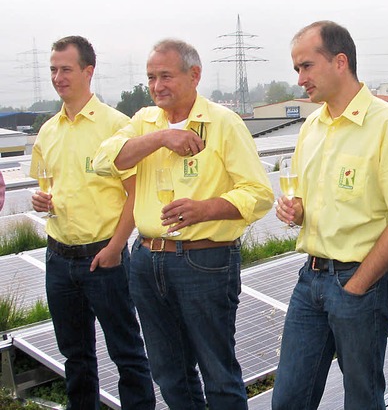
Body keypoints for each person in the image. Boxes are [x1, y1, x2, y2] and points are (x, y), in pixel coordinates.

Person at [93, 38, 273, 409]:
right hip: (146, 260)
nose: (157, 86)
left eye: (166, 76)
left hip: (204, 261)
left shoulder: (223, 123)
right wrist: (161, 138)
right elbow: (104, 160)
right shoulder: (145, 121)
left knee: (218, 374)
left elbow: (259, 193)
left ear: (194, 75)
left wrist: (205, 209)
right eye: (151, 78)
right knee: (169, 373)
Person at [272, 21, 388, 410]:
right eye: (296, 69)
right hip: (310, 280)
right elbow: (311, 204)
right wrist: (295, 211)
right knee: (289, 398)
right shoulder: (312, 126)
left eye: (306, 66)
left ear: (340, 62)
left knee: (361, 398)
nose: (300, 79)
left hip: (363, 281)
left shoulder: (387, 124)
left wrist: (357, 286)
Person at [30, 36, 155, 409]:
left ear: (88, 71)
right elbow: (49, 187)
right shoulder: (48, 131)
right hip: (58, 257)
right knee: (75, 357)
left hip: (105, 257)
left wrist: (115, 248)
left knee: (127, 352)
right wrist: (41, 202)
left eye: (66, 69)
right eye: (53, 69)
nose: (58, 77)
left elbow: (136, 194)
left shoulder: (117, 126)